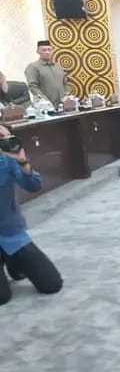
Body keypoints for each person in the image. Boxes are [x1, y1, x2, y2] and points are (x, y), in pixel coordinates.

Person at [0, 125, 63, 305]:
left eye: (5, 136)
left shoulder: (8, 160)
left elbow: (34, 185)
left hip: (11, 233)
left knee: (51, 284)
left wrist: (22, 162)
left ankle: (13, 261)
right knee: (2, 298)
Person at [24, 40, 67, 107]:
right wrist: (45, 102)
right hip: (45, 106)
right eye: (44, 50)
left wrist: (66, 98)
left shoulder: (58, 66)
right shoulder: (33, 67)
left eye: (49, 50)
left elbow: (65, 83)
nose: (47, 52)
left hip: (63, 104)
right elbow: (33, 87)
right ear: (38, 51)